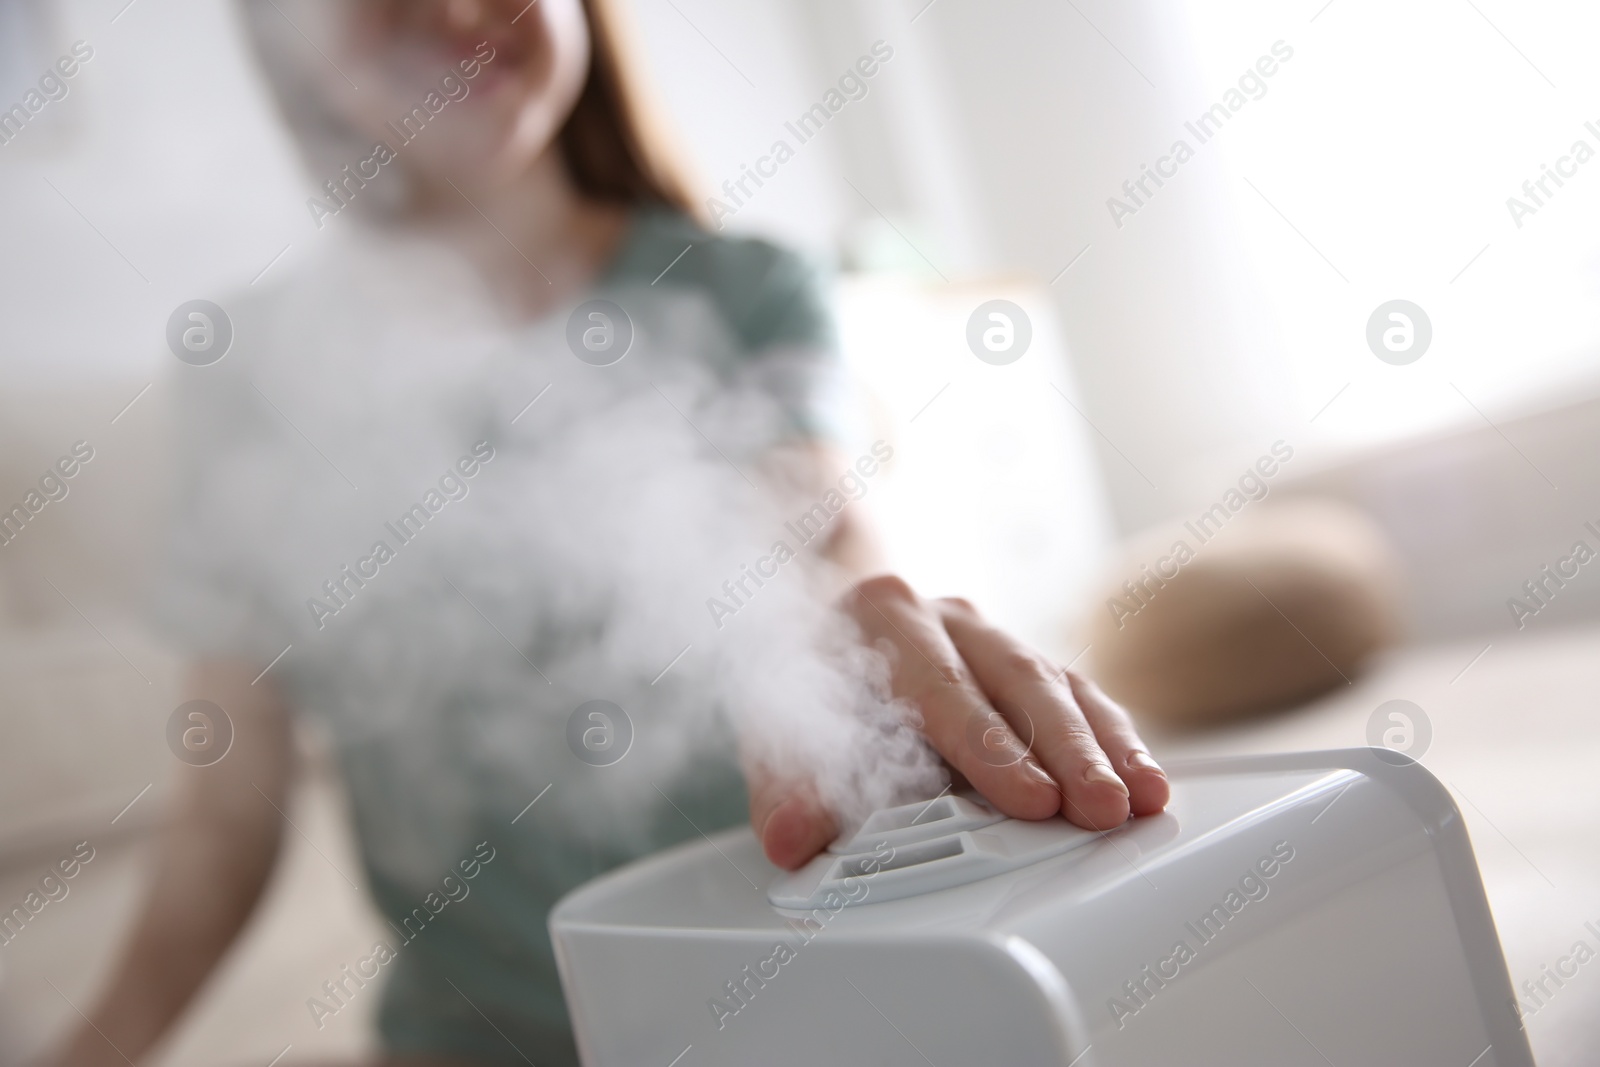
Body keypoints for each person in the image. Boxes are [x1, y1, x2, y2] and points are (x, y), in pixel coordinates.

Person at [49, 1, 1169, 1064]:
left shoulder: (743, 290)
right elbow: (226, 809)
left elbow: (817, 545)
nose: (453, 12)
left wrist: (867, 635)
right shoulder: (247, 374)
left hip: (770, 1009)